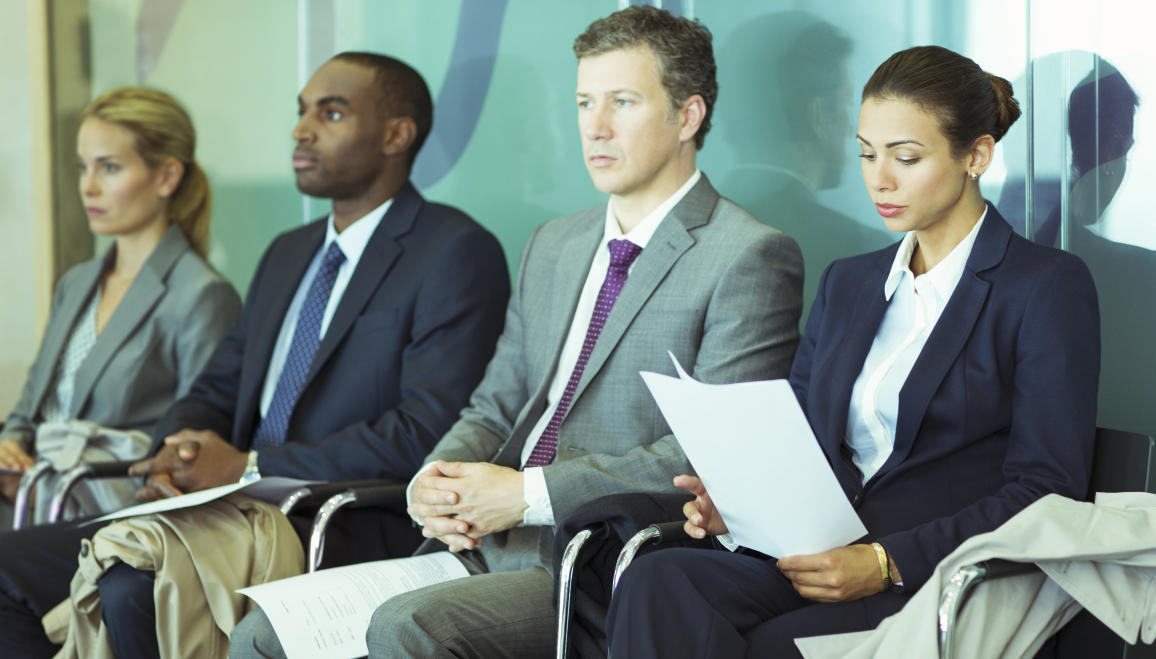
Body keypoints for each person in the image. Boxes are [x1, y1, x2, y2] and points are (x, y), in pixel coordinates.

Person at [229, 6, 804, 659]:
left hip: (597, 561)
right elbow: (494, 404)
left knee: (406, 627)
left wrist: (528, 495)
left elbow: (709, 456)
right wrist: (435, 477)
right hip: (481, 542)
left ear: (688, 116)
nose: (597, 126)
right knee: (261, 633)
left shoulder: (747, 254)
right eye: (585, 101)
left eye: (623, 101)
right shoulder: (554, 245)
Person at [0, 52, 510, 657]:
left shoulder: (453, 251)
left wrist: (249, 467)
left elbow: (426, 431)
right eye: (301, 112)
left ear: (397, 135)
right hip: (222, 512)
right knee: (8, 569)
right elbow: (216, 387)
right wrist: (177, 451)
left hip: (334, 518)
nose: (301, 129)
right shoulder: (288, 253)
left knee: (132, 581)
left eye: (332, 112)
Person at [605, 45, 1102, 658]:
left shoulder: (1042, 287)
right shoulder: (850, 282)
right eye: (867, 153)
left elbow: (1048, 488)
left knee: (768, 644)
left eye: (906, 157)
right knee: (659, 580)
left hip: (929, 574)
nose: (879, 178)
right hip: (817, 553)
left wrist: (886, 562)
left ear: (976, 155)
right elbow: (806, 432)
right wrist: (739, 502)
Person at [0, 87, 241, 527]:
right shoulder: (76, 282)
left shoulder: (201, 295)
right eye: (83, 167)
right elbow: (30, 408)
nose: (88, 187)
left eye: (109, 168)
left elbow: (191, 447)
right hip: (29, 499)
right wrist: (10, 448)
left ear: (168, 177)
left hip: (110, 515)